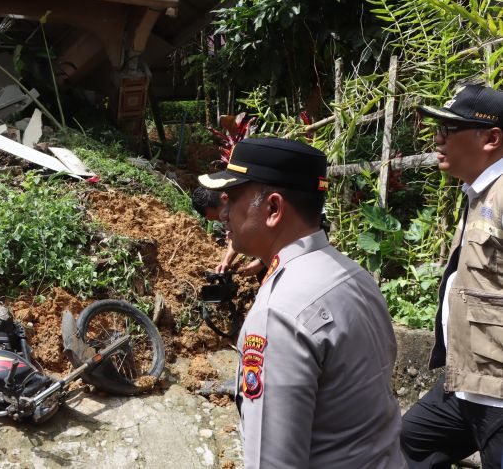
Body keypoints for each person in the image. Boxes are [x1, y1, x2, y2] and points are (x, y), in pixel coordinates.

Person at [200, 137, 405, 468]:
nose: (223, 213)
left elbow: (273, 461)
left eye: (233, 199)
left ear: (273, 209)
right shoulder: (355, 276)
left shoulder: (279, 313)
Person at [402, 84, 503, 468]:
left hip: (497, 394)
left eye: (449, 129)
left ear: (491, 138)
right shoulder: (480, 193)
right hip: (466, 386)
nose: (437, 139)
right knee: (404, 446)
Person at [191, 186, 264, 276]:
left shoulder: (257, 202)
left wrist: (262, 263)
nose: (222, 221)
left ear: (225, 198)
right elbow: (234, 234)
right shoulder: (230, 209)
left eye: (218, 217)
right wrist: (226, 261)